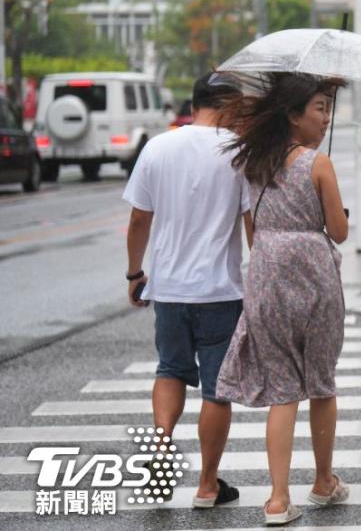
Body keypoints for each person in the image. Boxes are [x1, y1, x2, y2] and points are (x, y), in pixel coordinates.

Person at [214, 72, 350, 526]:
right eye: (319, 109)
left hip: (267, 270)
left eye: (328, 108)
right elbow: (339, 231)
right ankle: (324, 480)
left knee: (283, 390)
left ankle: (277, 499)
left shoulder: (255, 162)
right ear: (294, 115)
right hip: (313, 272)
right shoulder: (319, 164)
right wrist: (338, 211)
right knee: (321, 381)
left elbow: (253, 226)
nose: (326, 118)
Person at [123, 73, 250, 507]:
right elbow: (252, 225)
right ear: (229, 105)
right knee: (217, 390)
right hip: (219, 290)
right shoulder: (239, 153)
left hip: (169, 290)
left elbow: (140, 219)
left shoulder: (158, 147)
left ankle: (161, 444)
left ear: (195, 103)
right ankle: (207, 486)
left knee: (170, 369)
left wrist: (134, 273)